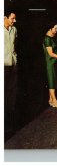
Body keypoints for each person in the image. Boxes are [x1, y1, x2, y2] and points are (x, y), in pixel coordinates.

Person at [4, 9, 18, 138]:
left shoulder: (14, 30)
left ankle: (9, 124)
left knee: (11, 94)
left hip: (12, 65)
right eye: (12, 18)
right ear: (5, 17)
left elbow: (14, 45)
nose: (14, 21)